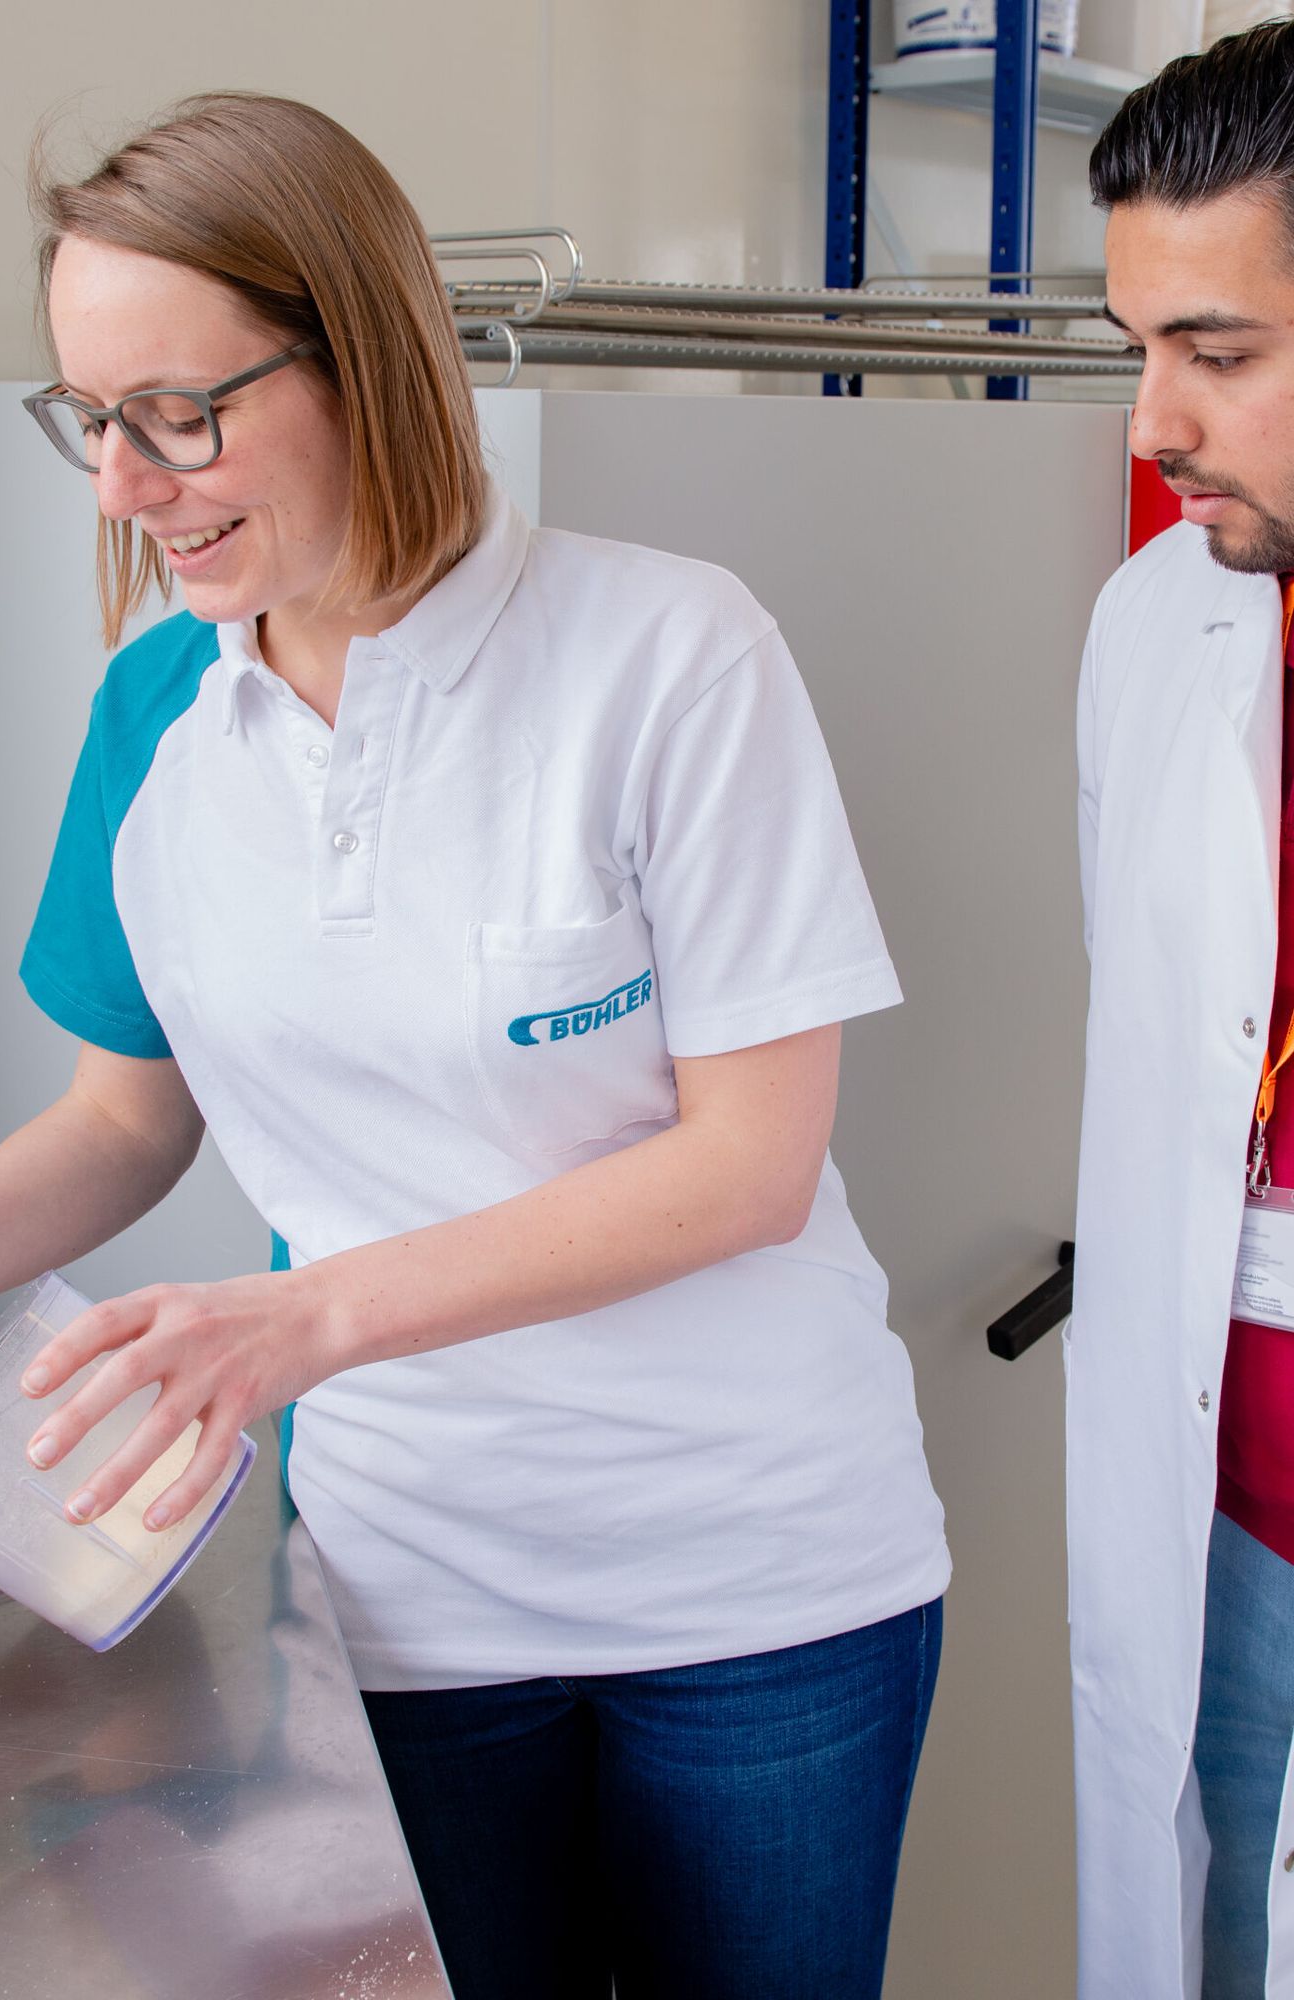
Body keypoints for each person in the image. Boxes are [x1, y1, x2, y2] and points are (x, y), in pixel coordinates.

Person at [0, 93, 948, 1999]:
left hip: (756, 1586)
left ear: (366, 356)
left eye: (181, 412)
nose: (124, 488)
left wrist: (304, 1321)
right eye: (89, 419)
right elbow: (124, 1125)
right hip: (398, 1596)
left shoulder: (669, 658)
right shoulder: (158, 714)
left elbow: (748, 1166)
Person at [1074, 25, 1294, 1998]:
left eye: (1216, 355)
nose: (1154, 418)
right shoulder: (1156, 626)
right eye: (1137, 343)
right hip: (1219, 1520)